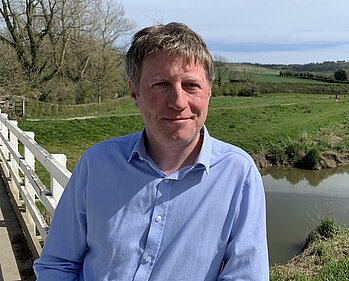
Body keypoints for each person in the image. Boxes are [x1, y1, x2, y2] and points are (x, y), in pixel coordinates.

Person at [33, 22, 269, 280]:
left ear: (208, 92)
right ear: (134, 92)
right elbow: (58, 264)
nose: (178, 101)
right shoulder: (97, 164)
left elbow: (246, 275)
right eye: (161, 84)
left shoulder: (238, 174)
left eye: (191, 85)